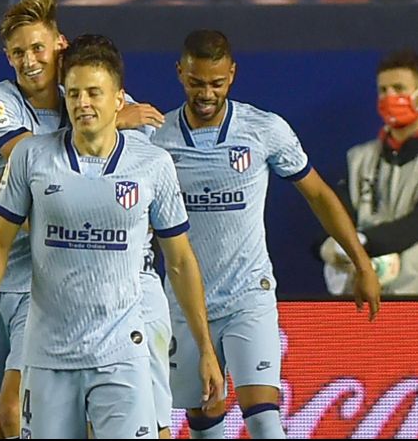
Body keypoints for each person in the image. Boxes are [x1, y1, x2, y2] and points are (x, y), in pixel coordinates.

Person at [0, 34, 222, 439]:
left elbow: (181, 260)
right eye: (76, 94)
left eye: (95, 93)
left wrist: (205, 347)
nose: (83, 103)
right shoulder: (33, 157)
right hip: (48, 352)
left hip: (121, 352)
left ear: (120, 100)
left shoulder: (151, 165)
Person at [149, 29, 381, 439]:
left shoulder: (264, 130)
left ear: (233, 75)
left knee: (264, 419)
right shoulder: (156, 138)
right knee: (205, 419)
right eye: (196, 81)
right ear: (180, 73)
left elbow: (320, 196)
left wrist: (362, 264)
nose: (206, 93)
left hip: (247, 297)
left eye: (217, 83)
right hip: (183, 306)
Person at [320, 49, 418, 296]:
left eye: (399, 88)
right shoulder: (359, 158)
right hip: (363, 294)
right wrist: (332, 246)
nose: (390, 97)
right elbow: (337, 215)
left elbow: (413, 226)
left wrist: (361, 242)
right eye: (383, 90)